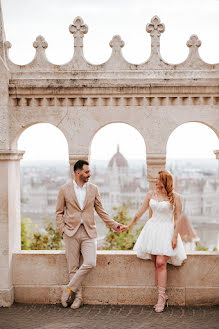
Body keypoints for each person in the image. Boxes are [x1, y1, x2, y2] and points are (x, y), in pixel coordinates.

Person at [56, 160, 126, 309]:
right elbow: (59, 212)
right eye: (87, 172)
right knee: (73, 267)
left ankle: (68, 289)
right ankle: (78, 298)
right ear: (78, 173)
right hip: (71, 232)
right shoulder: (64, 189)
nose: (90, 174)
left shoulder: (94, 189)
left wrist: (115, 225)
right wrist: (62, 230)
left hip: (89, 231)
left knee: (90, 262)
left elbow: (101, 211)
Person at [124, 170, 186, 313]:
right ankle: (163, 293)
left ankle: (161, 298)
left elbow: (177, 218)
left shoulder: (175, 197)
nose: (155, 182)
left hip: (166, 231)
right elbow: (140, 212)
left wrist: (175, 236)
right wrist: (129, 225)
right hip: (151, 231)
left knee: (160, 262)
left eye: (158, 180)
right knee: (155, 263)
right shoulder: (150, 195)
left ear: (165, 181)